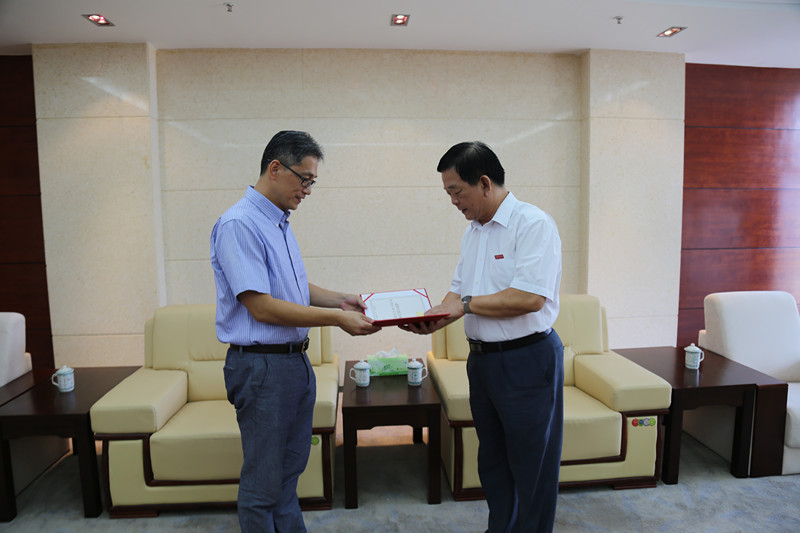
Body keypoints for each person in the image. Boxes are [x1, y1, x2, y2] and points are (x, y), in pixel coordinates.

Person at [210, 130, 380, 533]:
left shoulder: (278, 222)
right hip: (262, 368)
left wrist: (342, 300)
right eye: (304, 179)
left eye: (312, 181)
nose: (308, 190)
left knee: (288, 477)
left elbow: (293, 288)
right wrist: (337, 320)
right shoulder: (239, 224)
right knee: (263, 484)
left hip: (292, 364)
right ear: (275, 168)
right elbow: (261, 306)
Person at [401, 141, 564, 533]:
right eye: (448, 193)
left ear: (485, 183)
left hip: (527, 359)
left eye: (457, 191)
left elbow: (529, 297)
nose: (453, 201)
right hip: (484, 362)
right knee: (492, 461)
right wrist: (432, 318)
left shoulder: (533, 224)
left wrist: (464, 306)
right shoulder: (473, 232)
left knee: (531, 465)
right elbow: (457, 293)